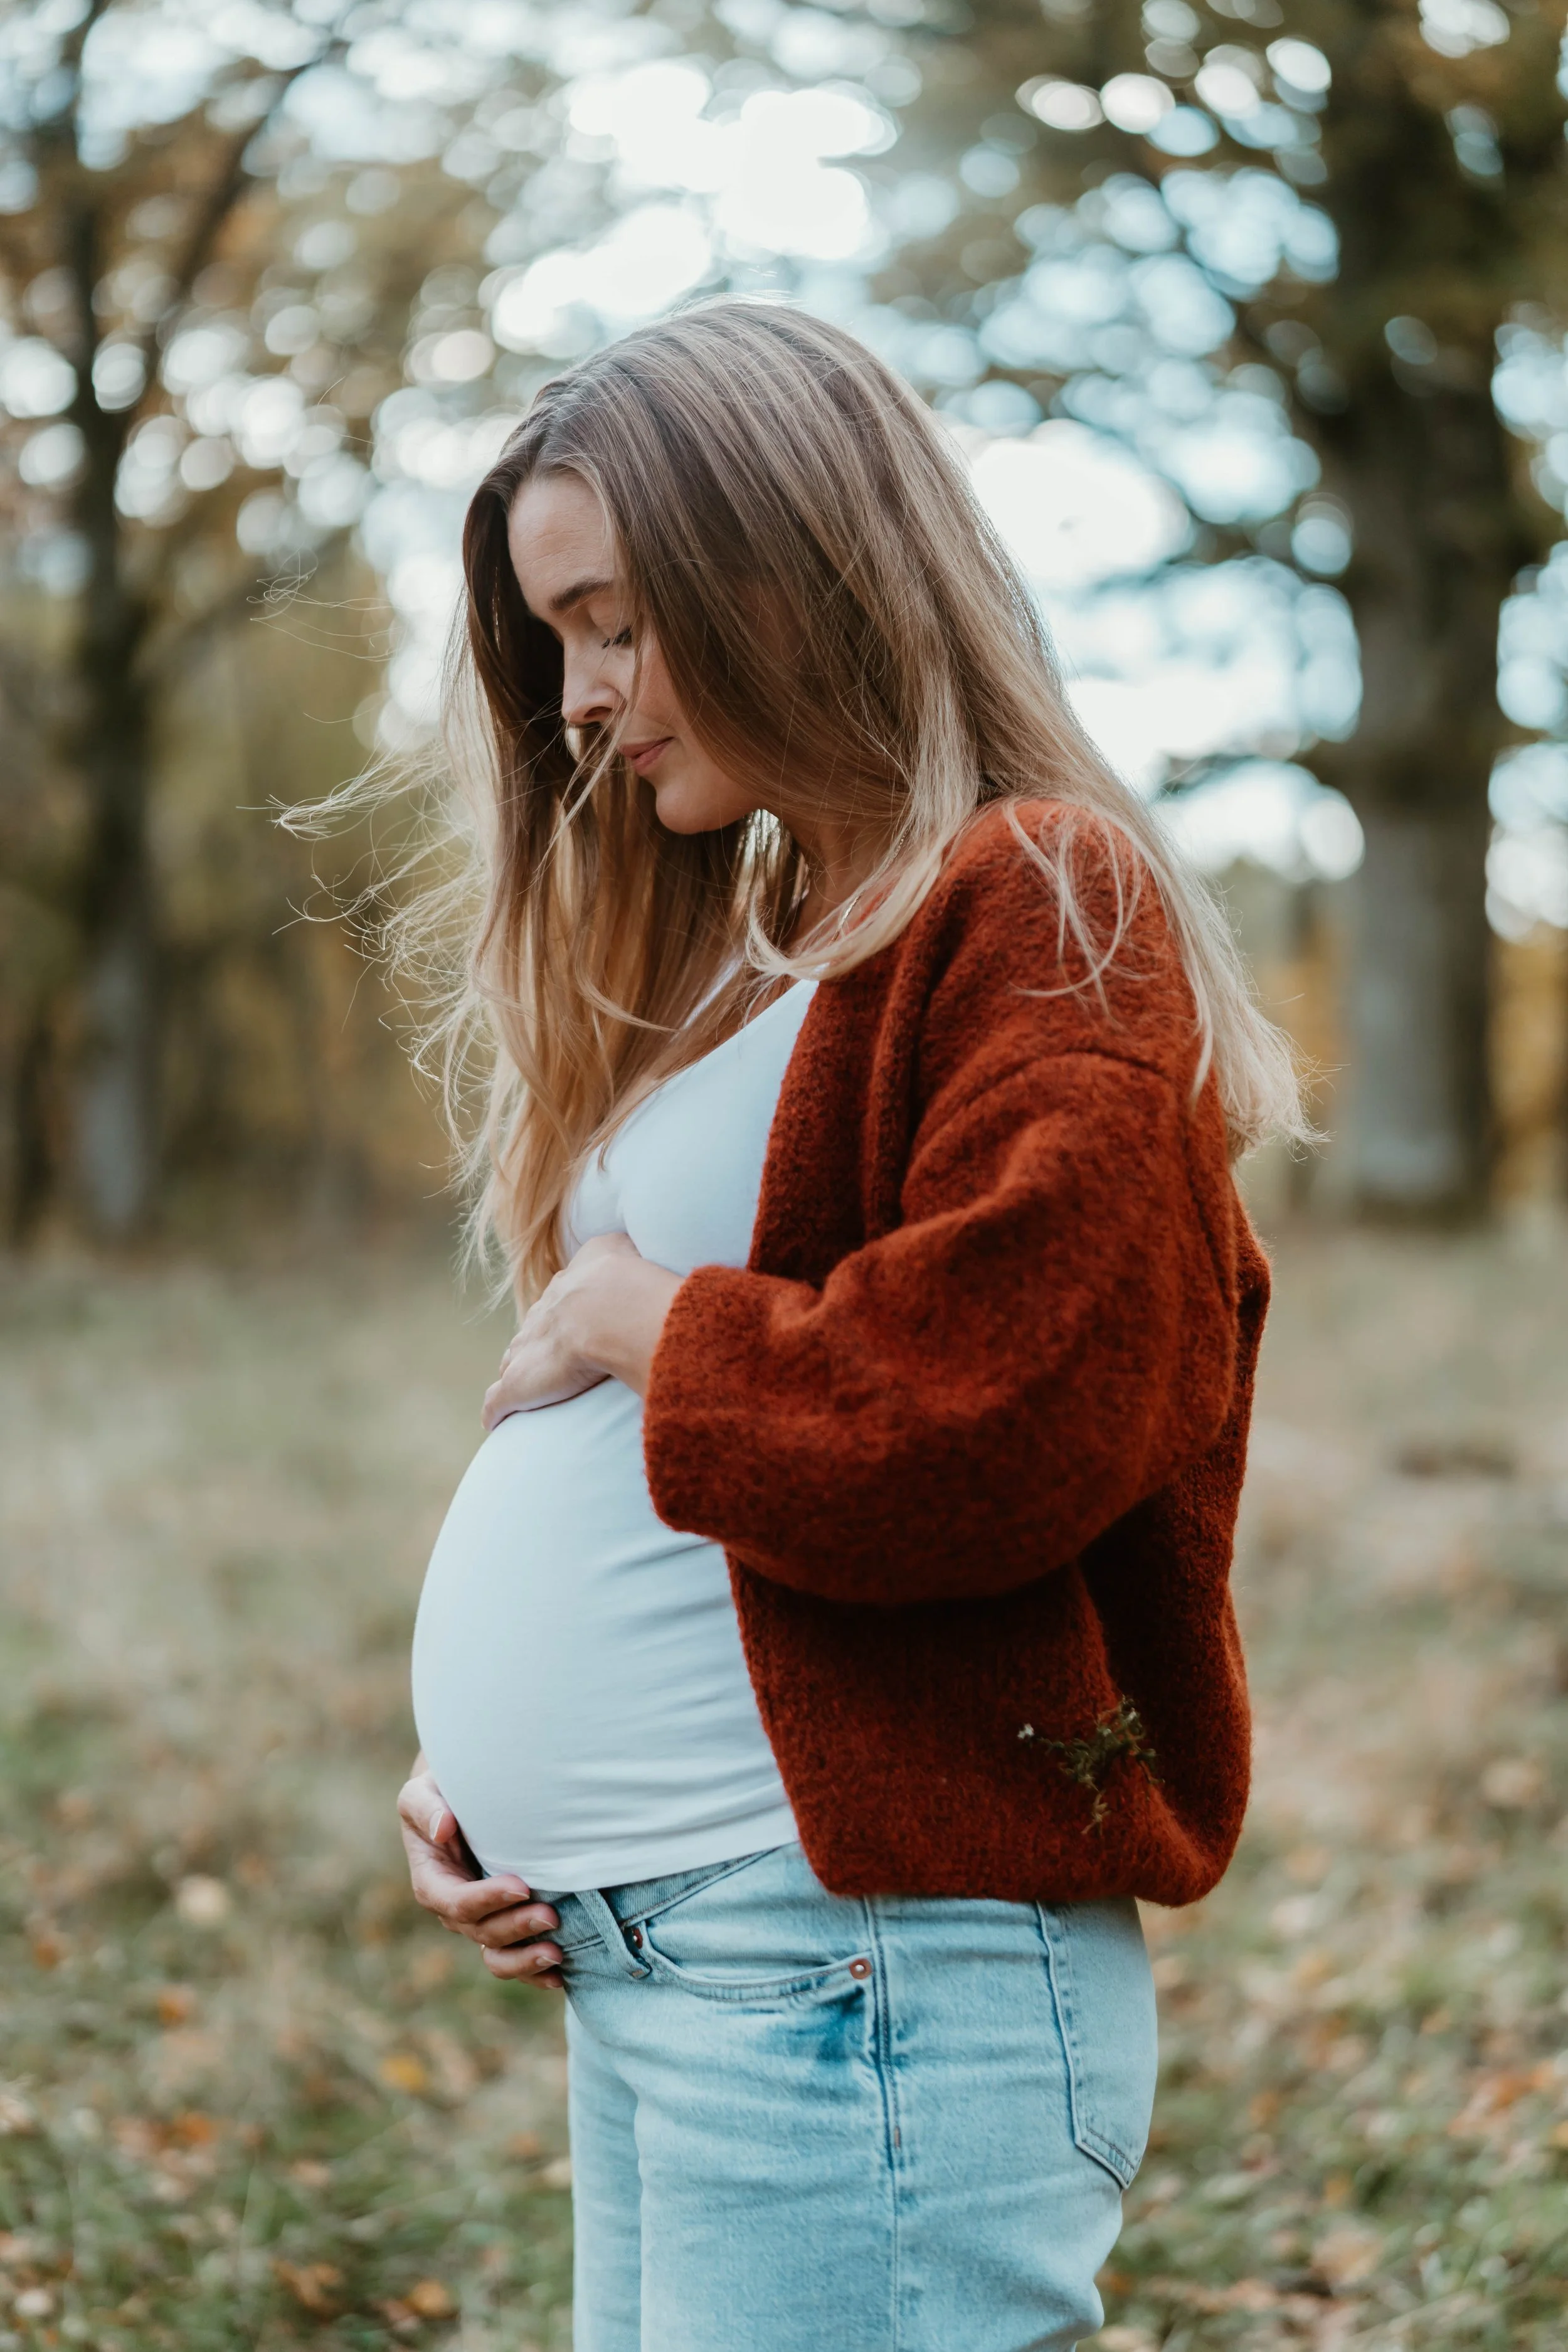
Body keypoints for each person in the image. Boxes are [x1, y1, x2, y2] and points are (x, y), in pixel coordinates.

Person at [391, 300, 1295, 2352]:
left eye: (616, 624)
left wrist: (642, 1317)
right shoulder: (779, 951)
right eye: (557, 640)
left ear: (784, 569)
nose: (581, 698)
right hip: (688, 1961)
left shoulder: (1034, 897)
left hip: (864, 1973)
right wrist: (497, 1769)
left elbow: (1006, 1406)